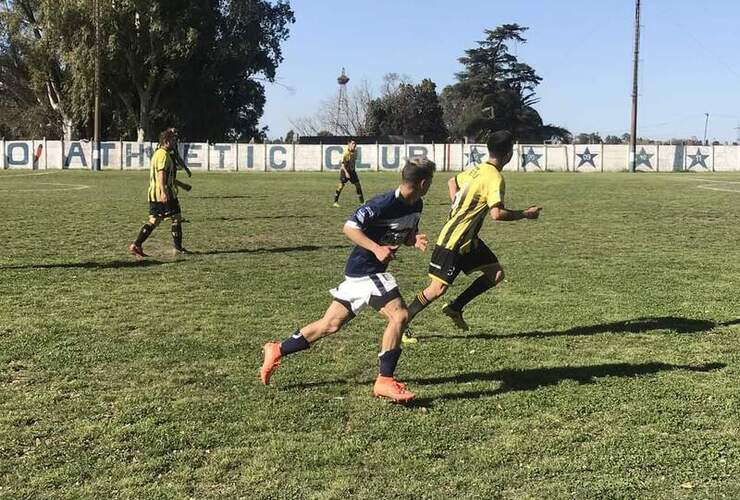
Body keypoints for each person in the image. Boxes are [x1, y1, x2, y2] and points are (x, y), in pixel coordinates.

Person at [261, 157, 436, 403]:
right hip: (367, 270)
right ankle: (384, 381)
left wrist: (412, 240)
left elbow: (402, 233)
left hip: (361, 273)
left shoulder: (417, 205)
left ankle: (277, 349)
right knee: (400, 316)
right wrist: (376, 248)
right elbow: (349, 227)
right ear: (424, 182)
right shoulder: (382, 203)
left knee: (329, 325)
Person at [402, 131, 541, 343]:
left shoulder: (477, 169)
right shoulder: (495, 177)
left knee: (496, 274)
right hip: (454, 241)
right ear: (509, 154)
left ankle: (455, 307)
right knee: (436, 289)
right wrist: (525, 214)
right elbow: (497, 214)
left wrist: (457, 204)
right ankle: (401, 322)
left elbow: (452, 182)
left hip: (469, 241)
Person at [128, 128, 189, 258]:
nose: (175, 143)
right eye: (173, 140)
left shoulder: (159, 153)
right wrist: (163, 191)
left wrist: (182, 185)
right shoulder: (163, 154)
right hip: (164, 192)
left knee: (154, 220)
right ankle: (178, 248)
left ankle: (136, 245)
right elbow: (161, 173)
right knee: (176, 218)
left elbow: (168, 176)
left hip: (154, 193)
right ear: (166, 141)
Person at [333, 139, 364, 207]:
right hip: (345, 171)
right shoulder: (346, 153)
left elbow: (353, 162)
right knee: (341, 186)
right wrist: (346, 173)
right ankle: (335, 202)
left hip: (352, 171)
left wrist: (353, 171)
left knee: (358, 185)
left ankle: (362, 202)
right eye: (353, 143)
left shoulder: (355, 152)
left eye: (355, 143)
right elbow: (343, 166)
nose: (354, 145)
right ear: (349, 144)